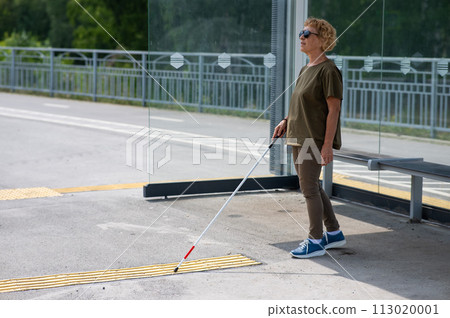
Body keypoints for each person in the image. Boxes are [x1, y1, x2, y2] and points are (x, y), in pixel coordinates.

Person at [272, 17, 346, 258]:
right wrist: (285, 120)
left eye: (307, 33)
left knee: (309, 190)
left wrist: (327, 145)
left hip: (313, 139)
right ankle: (333, 233)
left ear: (322, 40)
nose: (301, 37)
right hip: (298, 135)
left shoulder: (329, 70)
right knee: (311, 185)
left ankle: (315, 240)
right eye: (301, 33)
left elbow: (333, 110)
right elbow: (302, 105)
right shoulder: (306, 68)